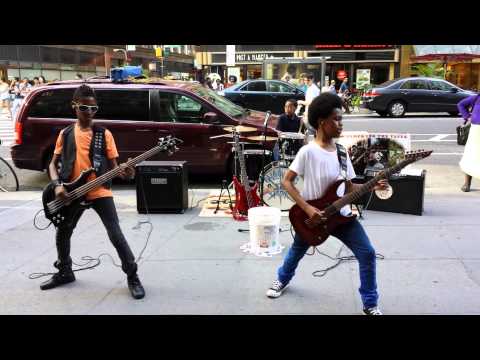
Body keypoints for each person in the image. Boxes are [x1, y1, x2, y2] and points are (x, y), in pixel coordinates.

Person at [266, 92, 388, 315]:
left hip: (341, 217)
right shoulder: (308, 152)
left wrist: (372, 186)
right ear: (322, 122)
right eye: (337, 119)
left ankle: (370, 303)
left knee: (367, 253)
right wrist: (308, 208)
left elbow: (349, 189)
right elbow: (287, 181)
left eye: (342, 119)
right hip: (313, 217)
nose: (341, 124)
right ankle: (282, 279)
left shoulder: (342, 152)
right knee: (296, 251)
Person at [40, 84, 145, 300]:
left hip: (99, 191)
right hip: (71, 192)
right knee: (63, 232)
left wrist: (127, 173)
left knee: (115, 234)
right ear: (74, 107)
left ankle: (132, 276)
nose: (89, 113)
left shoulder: (103, 134)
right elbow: (53, 164)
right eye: (84, 108)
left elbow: (117, 168)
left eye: (93, 109)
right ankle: (65, 271)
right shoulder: (66, 133)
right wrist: (58, 185)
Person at [457, 94, 480, 192]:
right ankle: (467, 183)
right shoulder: (477, 97)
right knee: (471, 156)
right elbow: (461, 104)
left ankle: (467, 184)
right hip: (476, 130)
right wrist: (467, 116)